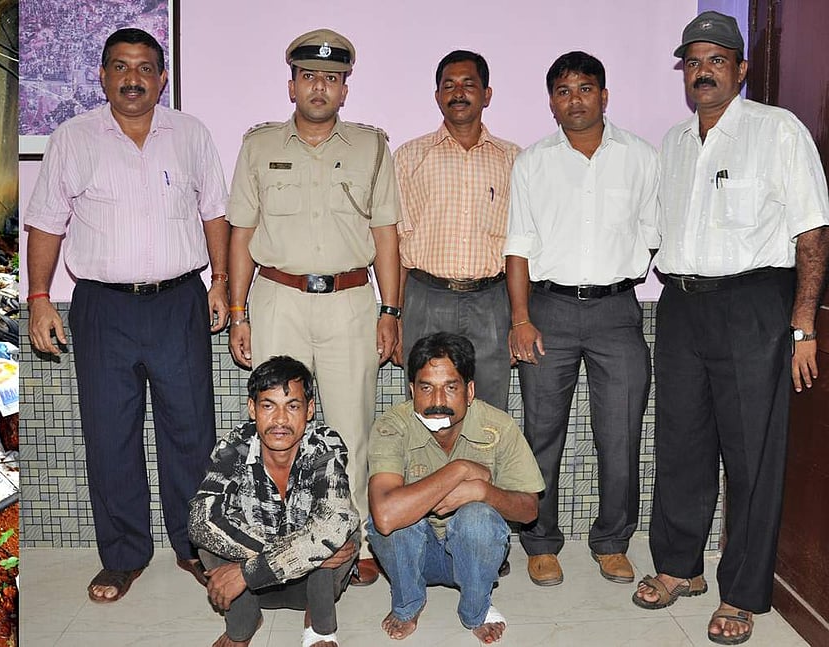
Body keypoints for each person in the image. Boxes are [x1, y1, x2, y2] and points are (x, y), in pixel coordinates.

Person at [635, 11, 829, 645]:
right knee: (680, 443)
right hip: (681, 305)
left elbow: (812, 229)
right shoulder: (673, 143)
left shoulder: (778, 131)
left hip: (753, 306)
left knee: (751, 456)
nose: (703, 72)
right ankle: (678, 566)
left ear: (741, 69)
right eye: (693, 62)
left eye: (716, 60)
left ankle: (742, 593)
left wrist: (803, 322)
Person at [24, 27, 230, 603]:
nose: (132, 78)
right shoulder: (73, 138)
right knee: (109, 434)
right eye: (120, 66)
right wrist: (38, 298)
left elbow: (216, 213)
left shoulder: (190, 135)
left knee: (191, 432)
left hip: (179, 303)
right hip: (102, 308)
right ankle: (122, 556)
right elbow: (47, 221)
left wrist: (221, 284)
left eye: (144, 68)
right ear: (102, 76)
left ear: (161, 78)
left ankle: (197, 547)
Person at [225, 28, 402, 586]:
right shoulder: (260, 146)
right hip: (277, 298)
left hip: (350, 301)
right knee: (277, 425)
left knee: (351, 429)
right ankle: (279, 540)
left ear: (345, 89)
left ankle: (353, 541)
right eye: (308, 77)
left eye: (331, 78)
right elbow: (241, 232)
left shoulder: (372, 147)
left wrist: (390, 311)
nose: (319, 87)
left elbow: (386, 234)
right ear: (292, 85)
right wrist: (238, 312)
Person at [504, 51, 659, 588]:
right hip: (548, 311)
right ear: (551, 101)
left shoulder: (641, 157)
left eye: (585, 89)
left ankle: (613, 542)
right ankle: (540, 542)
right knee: (541, 433)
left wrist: (614, 273)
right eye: (564, 91)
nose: (575, 100)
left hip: (617, 311)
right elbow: (518, 246)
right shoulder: (533, 162)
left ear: (604, 95)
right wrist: (521, 318)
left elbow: (652, 232)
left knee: (621, 434)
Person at [367, 333, 544, 644]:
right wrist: (459, 469)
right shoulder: (391, 426)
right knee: (397, 517)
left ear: (469, 391)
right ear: (412, 391)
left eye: (451, 388)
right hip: (414, 555)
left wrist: (484, 492)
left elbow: (529, 511)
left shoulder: (498, 426)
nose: (438, 401)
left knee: (478, 517)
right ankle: (408, 604)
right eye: (426, 388)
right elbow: (383, 517)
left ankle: (476, 609)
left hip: (474, 556)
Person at [189, 356, 360, 647]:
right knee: (211, 538)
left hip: (309, 582)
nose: (280, 420)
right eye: (268, 406)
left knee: (341, 533)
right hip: (253, 587)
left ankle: (318, 625)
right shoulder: (234, 446)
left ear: (309, 410)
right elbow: (200, 521)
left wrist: (248, 571)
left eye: (292, 406)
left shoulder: (325, 444)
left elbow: (332, 526)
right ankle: (244, 623)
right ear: (252, 408)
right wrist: (304, 550)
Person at [393, 50, 520, 410]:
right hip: (426, 298)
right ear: (437, 96)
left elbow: (522, 247)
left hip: (491, 301)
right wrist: (397, 316)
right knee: (428, 411)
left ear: (487, 94)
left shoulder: (514, 160)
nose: (458, 93)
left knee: (489, 411)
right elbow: (398, 242)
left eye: (468, 84)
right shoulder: (409, 157)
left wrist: (518, 317)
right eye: (449, 86)